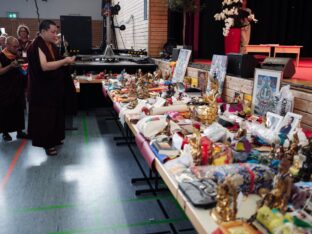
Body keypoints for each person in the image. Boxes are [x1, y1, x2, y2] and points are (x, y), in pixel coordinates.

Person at [27, 20, 75, 156]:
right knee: (45, 118)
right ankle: (47, 144)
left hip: (53, 89)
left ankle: (55, 138)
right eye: (52, 32)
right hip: (42, 91)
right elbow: (45, 66)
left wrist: (66, 62)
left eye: (56, 32)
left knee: (56, 116)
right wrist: (65, 61)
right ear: (43, 31)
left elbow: (56, 61)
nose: (55, 35)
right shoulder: (36, 45)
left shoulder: (51, 45)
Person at [0, 36, 28, 141]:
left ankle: (19, 131)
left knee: (19, 109)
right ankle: (5, 132)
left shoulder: (18, 55)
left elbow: (23, 67)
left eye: (18, 46)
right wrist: (10, 66)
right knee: (6, 110)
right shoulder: (1, 56)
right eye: (15, 46)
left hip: (18, 87)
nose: (17, 48)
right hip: (5, 88)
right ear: (7, 45)